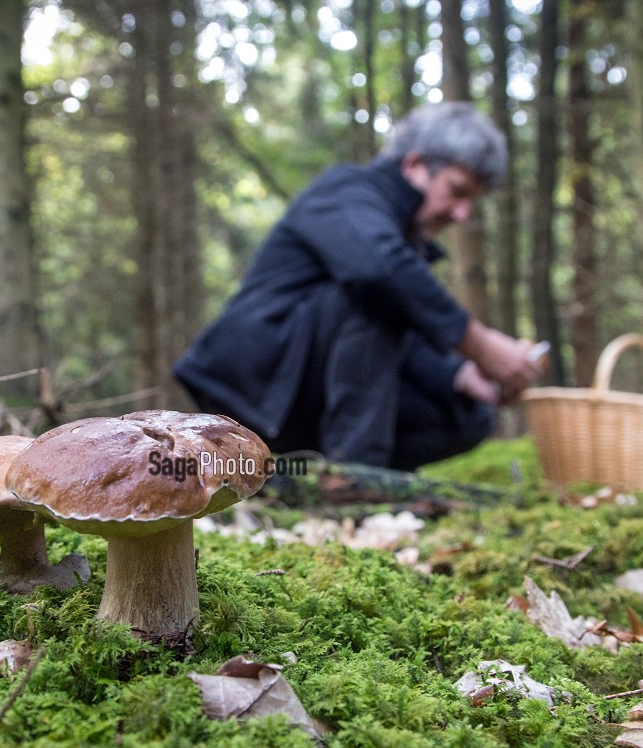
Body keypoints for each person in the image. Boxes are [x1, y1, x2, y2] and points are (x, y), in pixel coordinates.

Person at [173, 102, 542, 471]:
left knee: (469, 413)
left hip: (304, 400)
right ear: (414, 165)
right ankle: (355, 483)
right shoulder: (345, 190)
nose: (461, 214)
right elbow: (379, 273)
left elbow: (374, 344)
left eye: (470, 201)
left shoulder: (403, 240)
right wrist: (480, 344)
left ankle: (340, 478)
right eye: (456, 191)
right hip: (251, 387)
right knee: (384, 294)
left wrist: (458, 374)